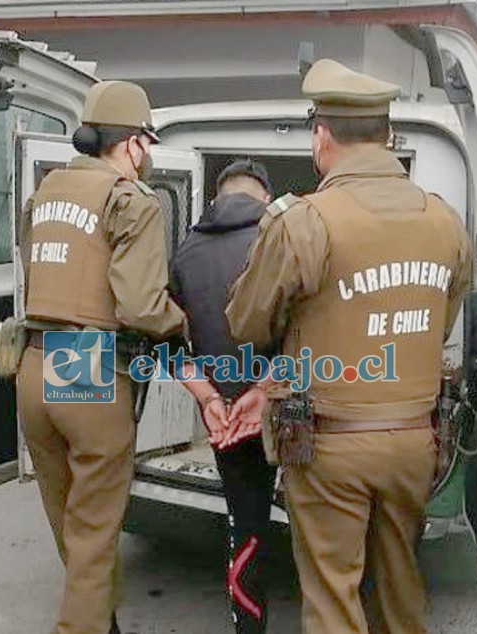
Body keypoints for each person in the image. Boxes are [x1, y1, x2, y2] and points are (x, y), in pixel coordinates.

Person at [225, 58, 472, 634]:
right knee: (401, 583)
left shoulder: (305, 222)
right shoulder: (445, 220)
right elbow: (439, 322)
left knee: (334, 596)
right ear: (387, 137)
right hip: (415, 438)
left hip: (329, 442)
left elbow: (246, 321)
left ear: (321, 136)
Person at [16, 80, 184, 634]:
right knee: (92, 532)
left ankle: (99, 618)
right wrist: (184, 322)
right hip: (85, 363)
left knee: (69, 522)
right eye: (148, 142)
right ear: (134, 143)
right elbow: (141, 307)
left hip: (33, 363)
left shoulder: (44, 195)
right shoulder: (130, 199)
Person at [169, 159, 278, 634]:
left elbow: (169, 342)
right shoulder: (280, 239)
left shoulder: (186, 250)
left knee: (245, 525)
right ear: (265, 199)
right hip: (281, 402)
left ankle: (248, 627)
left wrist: (208, 397)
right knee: (318, 525)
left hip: (223, 414)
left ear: (216, 197)